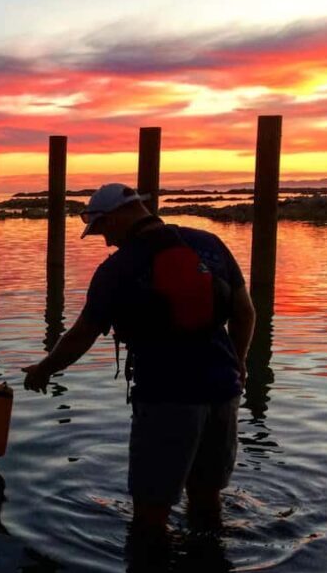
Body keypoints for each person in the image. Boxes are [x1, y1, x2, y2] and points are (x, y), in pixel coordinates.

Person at [23, 184, 256, 537]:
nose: (106, 241)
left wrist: (44, 370)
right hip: (223, 390)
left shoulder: (118, 269)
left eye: (103, 229)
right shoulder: (209, 244)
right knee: (207, 500)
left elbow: (82, 334)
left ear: (118, 217)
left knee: (151, 514)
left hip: (167, 396)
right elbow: (245, 312)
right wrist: (238, 363)